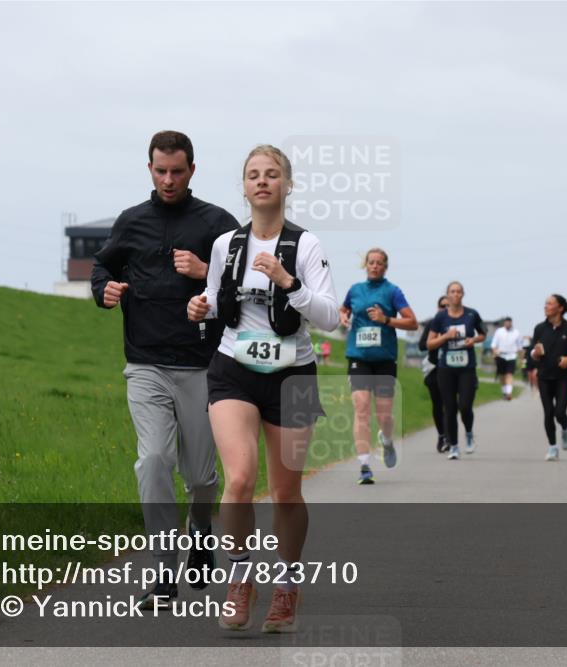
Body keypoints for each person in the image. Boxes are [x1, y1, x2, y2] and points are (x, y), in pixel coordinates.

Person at [187, 144, 339, 633]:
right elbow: (215, 297)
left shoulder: (306, 245)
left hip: (293, 372)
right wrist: (200, 307)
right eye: (253, 174)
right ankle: (239, 581)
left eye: (272, 174)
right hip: (233, 367)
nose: (262, 181)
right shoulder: (226, 244)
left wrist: (287, 280)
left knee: (286, 493)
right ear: (244, 185)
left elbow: (331, 318)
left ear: (287, 184)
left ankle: (288, 588)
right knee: (238, 480)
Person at [91, 130, 240, 608]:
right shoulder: (131, 222)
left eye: (177, 171)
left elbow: (245, 289)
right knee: (153, 459)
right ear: (150, 169)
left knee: (201, 477)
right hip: (145, 365)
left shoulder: (218, 223)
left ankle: (200, 530)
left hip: (202, 368)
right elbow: (101, 267)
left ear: (192, 170)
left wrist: (205, 272)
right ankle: (162, 572)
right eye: (160, 170)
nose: (169, 179)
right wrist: (105, 291)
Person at [339, 249, 418, 484]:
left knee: (384, 416)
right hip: (359, 357)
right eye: (371, 262)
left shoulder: (393, 292)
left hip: (384, 360)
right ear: (366, 265)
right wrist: (343, 316)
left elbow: (412, 322)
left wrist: (387, 320)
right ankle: (364, 465)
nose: (374, 266)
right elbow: (344, 309)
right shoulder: (355, 290)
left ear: (385, 267)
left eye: (379, 263)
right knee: (361, 408)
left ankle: (386, 438)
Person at [426, 281, 486, 460]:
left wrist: (473, 341)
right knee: (450, 408)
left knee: (465, 406)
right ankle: (453, 446)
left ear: (463, 294)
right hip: (446, 368)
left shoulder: (471, 314)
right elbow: (430, 343)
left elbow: (483, 334)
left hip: (467, 368)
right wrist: (445, 336)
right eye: (452, 291)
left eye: (459, 291)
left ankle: (468, 432)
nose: (456, 294)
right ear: (447, 295)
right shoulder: (440, 318)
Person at [529, 294, 567, 461]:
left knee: (559, 412)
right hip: (544, 376)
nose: (545, 306)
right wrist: (536, 352)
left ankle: (565, 427)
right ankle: (552, 447)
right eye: (545, 303)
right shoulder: (539, 328)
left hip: (563, 378)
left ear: (560, 308)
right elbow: (532, 352)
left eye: (549, 303)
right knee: (548, 412)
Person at [417, 295, 449, 452]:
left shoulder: (458, 324)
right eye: (442, 306)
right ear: (438, 308)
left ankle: (450, 435)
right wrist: (439, 339)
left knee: (450, 404)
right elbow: (422, 346)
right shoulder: (432, 324)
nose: (445, 309)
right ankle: (442, 435)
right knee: (438, 403)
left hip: (452, 369)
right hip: (434, 368)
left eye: (448, 306)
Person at [490, 316, 521, 401]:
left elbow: (519, 347)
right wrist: (494, 352)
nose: (508, 324)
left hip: (512, 356)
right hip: (500, 356)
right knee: (502, 375)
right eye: (506, 322)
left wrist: (521, 358)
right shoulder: (499, 331)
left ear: (511, 323)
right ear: (504, 323)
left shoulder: (516, 332)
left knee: (509, 374)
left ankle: (509, 393)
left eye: (509, 322)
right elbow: (493, 344)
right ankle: (504, 392)